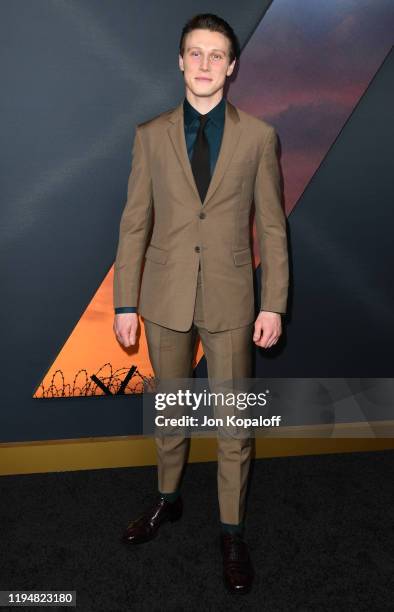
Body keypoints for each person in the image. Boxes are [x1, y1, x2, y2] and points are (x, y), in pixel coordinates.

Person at [113, 13, 289, 594]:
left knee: (235, 426)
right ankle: (168, 500)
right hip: (163, 298)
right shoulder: (149, 135)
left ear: (232, 66)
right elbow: (135, 223)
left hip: (234, 299)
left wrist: (274, 303)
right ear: (181, 61)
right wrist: (123, 302)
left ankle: (232, 532)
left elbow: (271, 226)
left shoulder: (260, 137)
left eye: (217, 55)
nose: (206, 64)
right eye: (196, 53)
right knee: (171, 413)